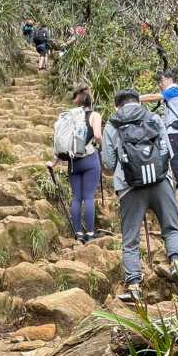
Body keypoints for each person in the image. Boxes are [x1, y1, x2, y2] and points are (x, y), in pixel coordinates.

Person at [102, 88, 178, 303]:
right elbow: (169, 152)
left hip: (129, 188)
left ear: (116, 106)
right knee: (171, 227)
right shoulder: (154, 117)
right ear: (139, 102)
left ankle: (135, 286)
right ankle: (176, 262)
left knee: (130, 240)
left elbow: (109, 163)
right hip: (161, 181)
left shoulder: (112, 124)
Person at [47, 85, 103, 243]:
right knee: (89, 197)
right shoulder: (94, 115)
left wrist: (54, 162)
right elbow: (98, 135)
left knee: (77, 198)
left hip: (73, 163)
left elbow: (63, 143)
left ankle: (78, 233)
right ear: (90, 101)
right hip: (90, 160)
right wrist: (100, 145)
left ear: (77, 102)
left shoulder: (70, 117)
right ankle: (90, 234)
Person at [139, 69, 178, 189]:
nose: (160, 84)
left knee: (176, 157)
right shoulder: (175, 91)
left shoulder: (172, 90)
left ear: (170, 79)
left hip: (174, 131)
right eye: (158, 81)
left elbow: (154, 97)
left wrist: (136, 98)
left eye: (162, 80)